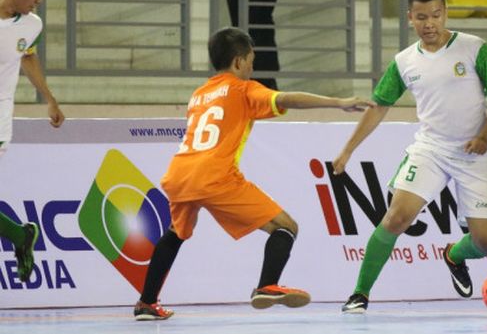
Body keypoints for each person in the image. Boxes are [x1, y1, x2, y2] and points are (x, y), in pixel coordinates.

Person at [133, 27, 373, 320]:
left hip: (179, 173)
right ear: (237, 62)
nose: (252, 66)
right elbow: (286, 99)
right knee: (286, 227)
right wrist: (338, 102)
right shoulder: (243, 89)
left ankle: (146, 302)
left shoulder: (199, 94)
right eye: (250, 60)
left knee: (176, 232)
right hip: (215, 176)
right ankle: (267, 285)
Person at [333, 0, 487, 313]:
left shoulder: (474, 48)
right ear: (410, 18)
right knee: (396, 217)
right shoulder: (404, 61)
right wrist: (348, 150)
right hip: (431, 150)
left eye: (437, 15)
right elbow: (378, 105)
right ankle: (360, 293)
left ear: (446, 14)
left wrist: (485, 135)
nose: (430, 24)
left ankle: (454, 255)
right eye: (422, 17)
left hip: (475, 154)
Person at [0, 0, 64, 284]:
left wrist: (49, 99)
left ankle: (20, 236)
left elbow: (28, 57)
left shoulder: (31, 24)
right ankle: (20, 235)